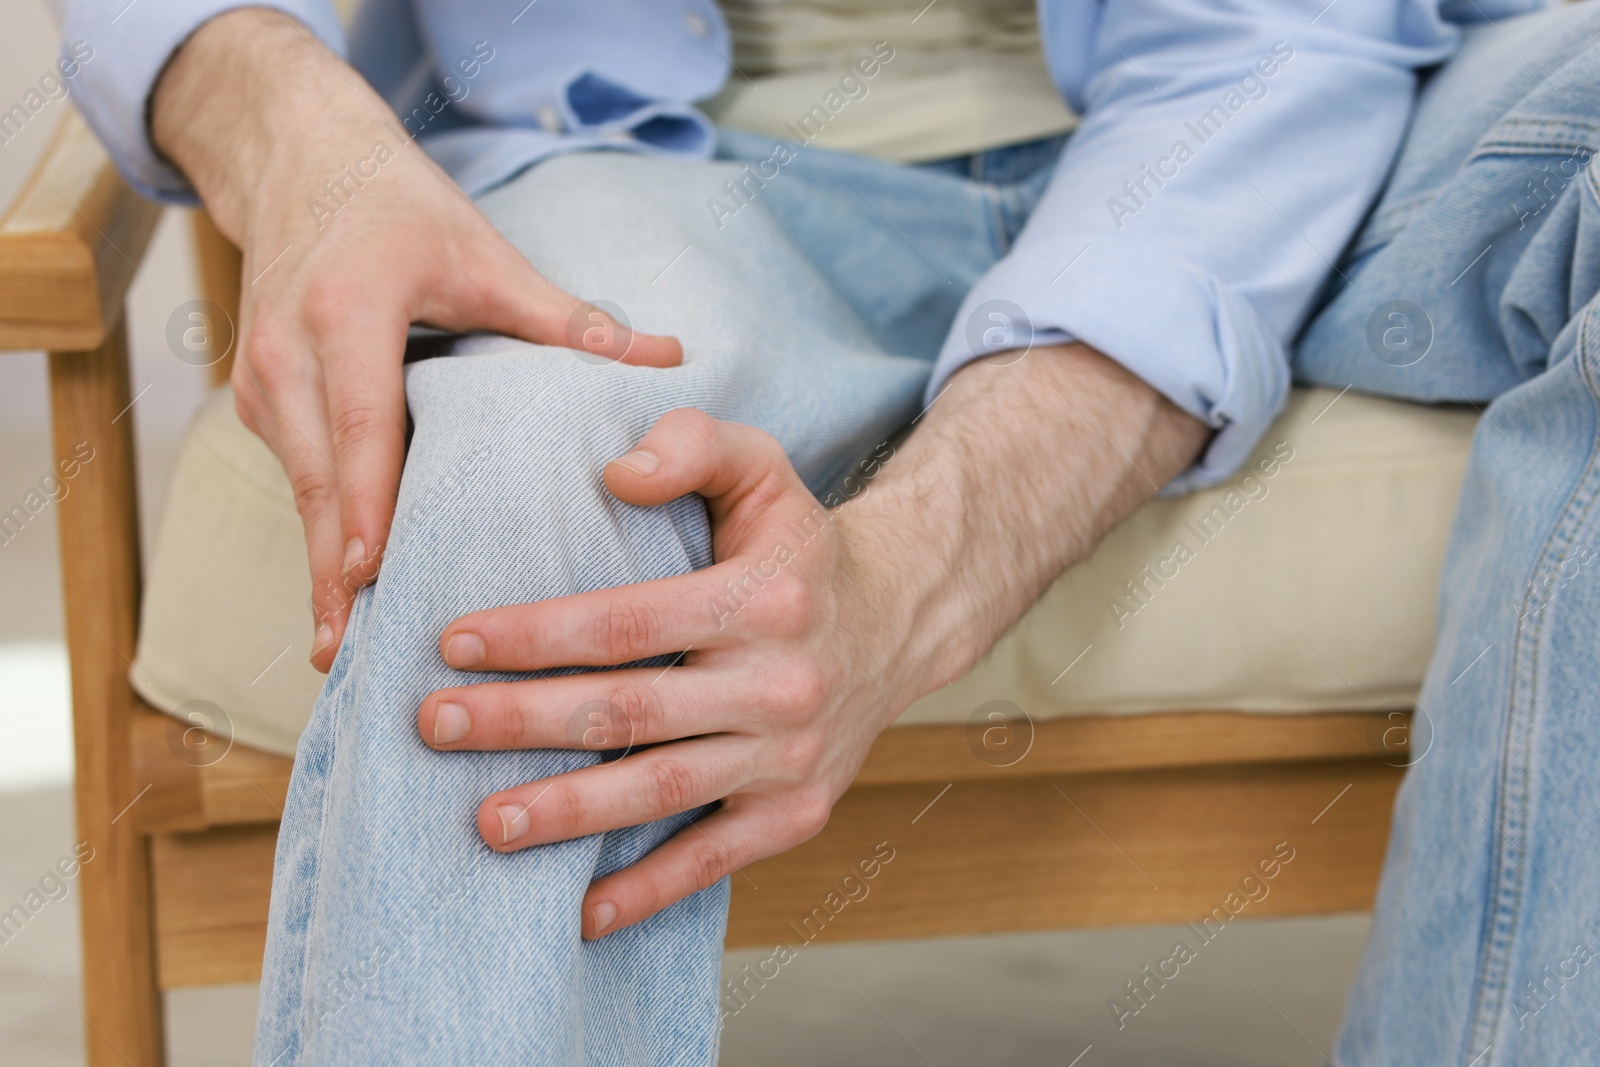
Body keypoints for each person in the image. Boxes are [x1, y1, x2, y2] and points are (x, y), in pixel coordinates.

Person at [58, 0, 1600, 1061]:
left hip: (1286, 110)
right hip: (664, 163)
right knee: (525, 487)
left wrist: (911, 569)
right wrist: (291, 129)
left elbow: (1272, 49)